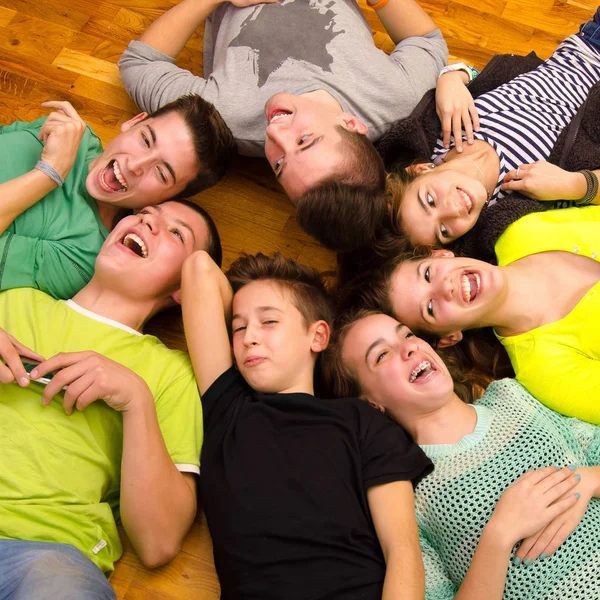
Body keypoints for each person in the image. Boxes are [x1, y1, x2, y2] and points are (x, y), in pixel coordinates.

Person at [118, 0, 480, 250]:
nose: (275, 133)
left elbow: (139, 64)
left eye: (277, 164)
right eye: (305, 141)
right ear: (351, 123)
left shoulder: (227, 116)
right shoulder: (396, 96)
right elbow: (427, 43)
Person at [0, 199, 221, 599]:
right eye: (145, 213)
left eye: (176, 233)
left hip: (45, 556)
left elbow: (158, 543)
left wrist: (136, 400)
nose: (149, 222)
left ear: (183, 289)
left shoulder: (171, 374)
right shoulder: (15, 299)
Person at [179, 250, 433, 599]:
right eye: (238, 327)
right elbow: (199, 270)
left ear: (317, 337)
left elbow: (402, 553)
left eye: (269, 322)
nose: (249, 336)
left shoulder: (363, 422)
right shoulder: (230, 408)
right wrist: (253, 301)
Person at [323, 310, 600, 600]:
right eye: (381, 355)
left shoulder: (513, 395)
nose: (408, 347)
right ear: (371, 404)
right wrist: (499, 535)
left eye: (407, 334)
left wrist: (589, 480)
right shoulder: (407, 497)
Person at [376, 8, 600, 260]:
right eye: (443, 230)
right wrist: (575, 185)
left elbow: (487, 77)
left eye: (429, 200)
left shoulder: (442, 129)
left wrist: (451, 78)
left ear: (420, 169)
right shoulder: (514, 208)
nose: (452, 209)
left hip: (588, 45)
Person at [355, 204, 600, 424]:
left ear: (440, 255)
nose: (445, 287)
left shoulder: (523, 230)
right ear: (449, 336)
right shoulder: (547, 372)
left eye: (428, 273)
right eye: (430, 308)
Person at [0, 94, 234, 299]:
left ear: (167, 199)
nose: (135, 164)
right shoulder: (77, 134)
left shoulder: (83, 257)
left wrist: (48, 173)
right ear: (134, 122)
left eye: (161, 173)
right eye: (145, 140)